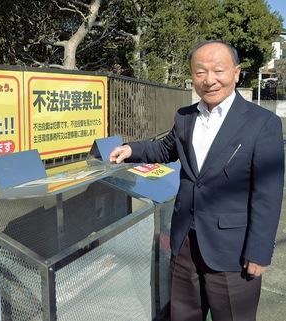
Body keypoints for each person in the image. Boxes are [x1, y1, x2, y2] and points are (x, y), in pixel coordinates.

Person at [109, 40, 285, 321]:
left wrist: (260, 250)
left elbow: (268, 192)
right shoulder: (185, 117)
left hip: (233, 249)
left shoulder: (262, 123)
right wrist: (131, 149)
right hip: (185, 242)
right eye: (200, 72)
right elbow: (165, 149)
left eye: (218, 70)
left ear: (237, 73)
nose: (209, 80)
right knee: (183, 315)